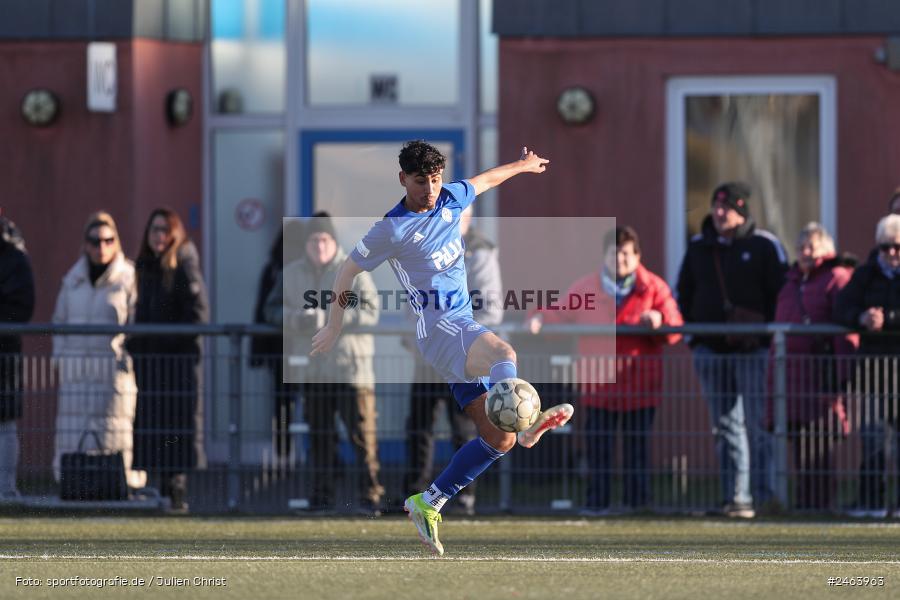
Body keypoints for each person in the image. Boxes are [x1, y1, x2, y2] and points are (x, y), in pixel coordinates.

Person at [310, 140, 573, 555]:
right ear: (402, 179)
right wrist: (334, 324)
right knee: (506, 354)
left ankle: (429, 501)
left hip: (462, 327)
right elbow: (346, 271)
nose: (430, 189)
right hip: (438, 329)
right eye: (421, 181)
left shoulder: (450, 197)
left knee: (495, 439)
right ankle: (528, 422)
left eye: (435, 179)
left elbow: (486, 180)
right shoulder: (391, 228)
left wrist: (522, 166)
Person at [527, 226, 683, 514]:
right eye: (614, 253)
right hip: (598, 385)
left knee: (638, 448)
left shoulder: (654, 288)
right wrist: (538, 317)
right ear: (605, 256)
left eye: (625, 253)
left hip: (640, 384)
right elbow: (560, 313)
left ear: (637, 256)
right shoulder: (586, 287)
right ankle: (597, 502)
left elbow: (674, 325)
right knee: (598, 447)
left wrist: (659, 320)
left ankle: (639, 504)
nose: (620, 259)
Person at [676, 182, 787, 518]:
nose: (720, 213)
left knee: (758, 423)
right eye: (716, 206)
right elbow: (682, 293)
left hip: (753, 352)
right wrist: (695, 340)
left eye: (728, 207)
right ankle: (735, 498)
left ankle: (766, 498)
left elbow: (781, 296)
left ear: (743, 210)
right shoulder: (698, 247)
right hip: (710, 351)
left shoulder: (765, 245)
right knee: (725, 426)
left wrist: (765, 338)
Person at [265, 212, 383, 514]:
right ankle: (322, 497)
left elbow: (371, 312)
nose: (319, 245)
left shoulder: (354, 269)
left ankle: (370, 498)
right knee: (319, 439)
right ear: (306, 243)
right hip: (314, 370)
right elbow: (271, 309)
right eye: (314, 239)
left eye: (325, 239)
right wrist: (296, 320)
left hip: (351, 370)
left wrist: (332, 320)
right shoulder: (290, 273)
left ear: (334, 242)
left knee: (362, 438)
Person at [403, 206, 503, 515]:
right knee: (419, 427)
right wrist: (421, 334)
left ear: (470, 219)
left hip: (464, 354)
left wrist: (455, 329)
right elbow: (413, 301)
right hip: (429, 356)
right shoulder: (422, 248)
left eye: (460, 214)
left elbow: (490, 308)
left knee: (465, 427)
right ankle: (415, 495)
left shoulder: (480, 252)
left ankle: (462, 498)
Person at [52, 211, 146, 491]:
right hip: (76, 374)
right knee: (73, 433)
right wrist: (61, 362)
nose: (101, 247)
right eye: (94, 241)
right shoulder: (73, 280)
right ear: (85, 243)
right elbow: (59, 322)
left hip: (112, 374)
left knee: (115, 434)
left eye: (108, 240)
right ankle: (74, 487)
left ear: (116, 241)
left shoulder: (128, 277)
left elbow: (134, 322)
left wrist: (125, 362)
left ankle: (120, 489)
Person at [767, 222, 856, 512]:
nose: (805, 252)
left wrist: (843, 376)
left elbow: (845, 330)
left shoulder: (836, 278)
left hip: (821, 377)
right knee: (799, 444)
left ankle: (821, 504)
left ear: (826, 249)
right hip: (791, 376)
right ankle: (804, 503)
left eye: (811, 246)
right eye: (801, 246)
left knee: (820, 445)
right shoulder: (790, 283)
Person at [128, 208, 209, 512]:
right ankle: (157, 492)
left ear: (174, 233)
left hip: (177, 366)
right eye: (154, 230)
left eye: (164, 230)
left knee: (176, 428)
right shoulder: (146, 265)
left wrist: (166, 342)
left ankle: (176, 493)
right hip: (151, 365)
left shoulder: (184, 262)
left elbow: (199, 314)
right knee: (152, 427)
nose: (159, 236)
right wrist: (138, 345)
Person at [835, 214, 900, 518]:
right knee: (873, 439)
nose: (892, 253)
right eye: (886, 247)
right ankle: (872, 501)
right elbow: (842, 307)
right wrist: (860, 318)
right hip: (873, 370)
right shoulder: (865, 275)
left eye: (898, 247)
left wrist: (888, 320)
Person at [250, 221, 305, 461]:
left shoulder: (273, 267)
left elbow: (261, 310)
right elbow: (264, 308)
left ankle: (284, 452)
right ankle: (293, 451)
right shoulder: (282, 269)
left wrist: (258, 352)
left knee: (282, 402)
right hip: (291, 345)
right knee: (306, 401)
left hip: (280, 347)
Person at [0, 213, 35, 503]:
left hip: (3, 355)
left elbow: (22, 307)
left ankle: (6, 491)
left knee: (5, 425)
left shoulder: (14, 256)